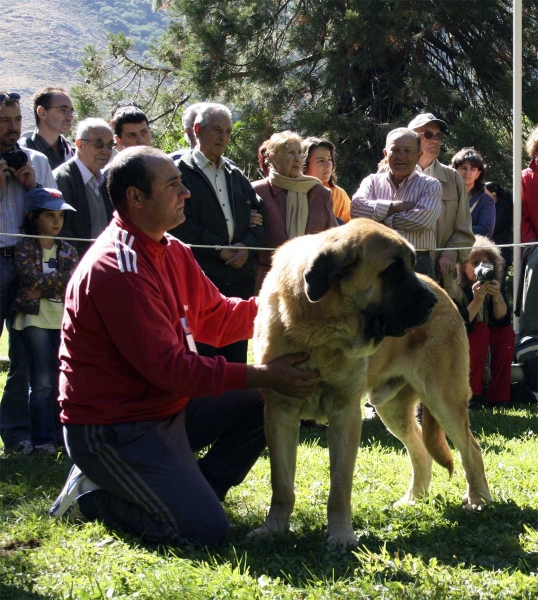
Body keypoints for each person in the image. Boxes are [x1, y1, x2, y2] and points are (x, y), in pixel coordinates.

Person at [48, 146, 319, 546]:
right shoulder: (118, 271)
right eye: (172, 184)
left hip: (166, 409)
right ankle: (93, 498)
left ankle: (197, 493)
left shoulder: (171, 249)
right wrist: (265, 373)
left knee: (266, 398)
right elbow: (170, 369)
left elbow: (216, 317)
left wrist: (290, 308)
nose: (186, 192)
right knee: (203, 532)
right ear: (136, 198)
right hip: (115, 427)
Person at [168, 103, 263, 363]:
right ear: (197, 130)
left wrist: (246, 246)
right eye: (217, 130)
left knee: (235, 360)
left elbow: (258, 215)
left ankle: (234, 405)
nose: (223, 137)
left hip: (238, 280)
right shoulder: (178, 172)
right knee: (203, 360)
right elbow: (178, 224)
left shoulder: (235, 173)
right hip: (202, 280)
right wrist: (219, 248)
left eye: (228, 132)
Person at [0, 91, 56, 456]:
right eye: (4, 121)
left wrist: (31, 186)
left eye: (17, 120)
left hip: (26, 267)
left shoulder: (35, 159)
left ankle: (18, 435)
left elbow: (54, 215)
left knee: (22, 356)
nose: (13, 128)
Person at [12, 188, 78, 455]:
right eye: (49, 215)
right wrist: (54, 284)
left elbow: (74, 279)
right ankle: (42, 441)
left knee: (62, 379)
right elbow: (30, 279)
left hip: (62, 320)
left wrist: (43, 289)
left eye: (60, 216)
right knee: (40, 382)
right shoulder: (24, 246)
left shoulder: (68, 249)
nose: (56, 221)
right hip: (35, 320)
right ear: (33, 217)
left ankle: (64, 437)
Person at [252, 131, 337, 292]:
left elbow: (333, 237)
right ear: (273, 157)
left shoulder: (319, 192)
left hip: (310, 281)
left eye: (300, 153)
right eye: (290, 153)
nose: (297, 158)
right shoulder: (257, 191)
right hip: (269, 281)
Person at [351, 128, 442, 278]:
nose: (401, 156)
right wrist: (396, 207)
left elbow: (421, 220)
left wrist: (377, 220)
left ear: (419, 155)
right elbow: (356, 210)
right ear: (386, 154)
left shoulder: (431, 185)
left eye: (408, 151)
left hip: (417, 261)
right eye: (396, 150)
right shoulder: (372, 182)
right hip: (375, 262)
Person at [408, 113, 474, 291]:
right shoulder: (391, 174)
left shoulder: (453, 178)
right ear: (411, 138)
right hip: (401, 271)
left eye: (439, 135)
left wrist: (450, 254)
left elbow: (464, 231)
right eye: (428, 134)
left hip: (440, 275)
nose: (435, 140)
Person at [452, 236, 515, 408]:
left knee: (506, 334)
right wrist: (477, 301)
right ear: (463, 265)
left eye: (486, 263)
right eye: (475, 262)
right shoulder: (454, 287)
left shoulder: (493, 282)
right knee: (480, 331)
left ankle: (499, 397)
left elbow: (502, 321)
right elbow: (459, 325)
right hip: (457, 340)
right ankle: (472, 397)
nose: (481, 268)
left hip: (481, 335)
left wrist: (497, 297)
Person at [53, 118, 115, 256]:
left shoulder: (105, 179)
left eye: (110, 145)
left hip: (104, 260)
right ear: (80, 145)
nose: (106, 151)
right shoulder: (63, 179)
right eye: (99, 145)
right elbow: (61, 231)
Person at [19, 87, 75, 170]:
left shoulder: (73, 155)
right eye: (63, 109)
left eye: (71, 111)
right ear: (42, 112)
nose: (70, 117)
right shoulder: (22, 156)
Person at [516, 126, 538, 338]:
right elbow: (522, 217)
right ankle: (530, 337)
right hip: (535, 244)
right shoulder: (525, 177)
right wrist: (532, 243)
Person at [302, 136, 351, 223]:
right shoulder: (293, 192)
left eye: (329, 159)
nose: (328, 165)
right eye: (321, 161)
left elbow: (350, 229)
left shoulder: (339, 195)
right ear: (304, 164)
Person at [451, 147, 495, 238]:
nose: (467, 172)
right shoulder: (443, 193)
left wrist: (454, 228)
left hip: (471, 249)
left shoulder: (486, 201)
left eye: (472, 169)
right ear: (455, 170)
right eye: (463, 168)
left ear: (478, 174)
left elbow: (485, 231)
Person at [485, 181, 513, 269]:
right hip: (490, 251)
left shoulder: (504, 206)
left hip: (500, 251)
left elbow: (495, 226)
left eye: (492, 196)